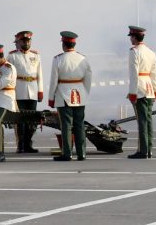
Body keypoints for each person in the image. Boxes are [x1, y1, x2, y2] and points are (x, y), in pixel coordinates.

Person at [48, 31, 92, 161]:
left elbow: (53, 80)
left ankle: (67, 153)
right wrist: (85, 93)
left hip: (63, 93)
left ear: (64, 44)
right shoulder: (82, 58)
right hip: (80, 94)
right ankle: (81, 153)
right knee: (79, 124)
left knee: (66, 125)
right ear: (74, 44)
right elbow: (88, 78)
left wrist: (51, 97)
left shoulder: (58, 59)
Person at [7, 30, 44, 153]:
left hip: (33, 89)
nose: (26, 43)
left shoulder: (36, 55)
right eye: (23, 41)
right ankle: (21, 145)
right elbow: (9, 75)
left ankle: (28, 144)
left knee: (32, 119)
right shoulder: (12, 56)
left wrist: (40, 90)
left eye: (28, 40)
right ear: (18, 42)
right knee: (20, 120)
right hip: (19, 89)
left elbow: (40, 74)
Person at [126, 25, 156, 159]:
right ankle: (149, 149)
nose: (130, 39)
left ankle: (143, 150)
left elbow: (134, 74)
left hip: (139, 88)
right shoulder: (151, 52)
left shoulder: (134, 51)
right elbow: (154, 73)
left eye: (131, 37)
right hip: (149, 88)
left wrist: (132, 92)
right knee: (149, 120)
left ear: (134, 37)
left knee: (142, 121)